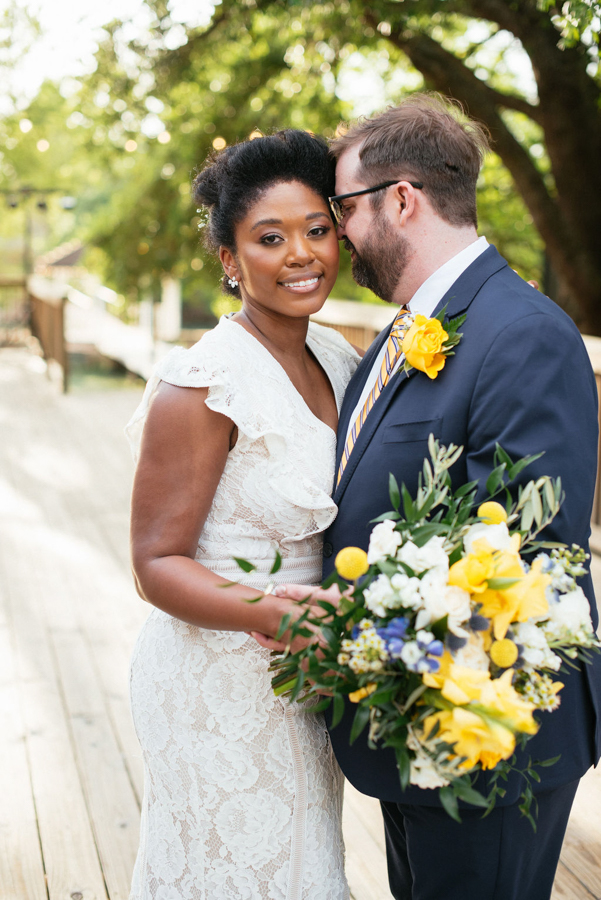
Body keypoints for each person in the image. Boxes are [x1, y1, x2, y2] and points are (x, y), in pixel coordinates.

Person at [258, 95, 601, 900]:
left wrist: (339, 623)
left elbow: (524, 544)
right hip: (415, 719)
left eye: (342, 208)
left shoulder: (522, 332)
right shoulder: (401, 330)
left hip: (491, 731)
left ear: (401, 199)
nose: (336, 233)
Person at [125, 129, 360, 900]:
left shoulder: (337, 356)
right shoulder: (202, 384)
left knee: (305, 866)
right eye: (270, 238)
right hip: (217, 677)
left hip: (305, 675)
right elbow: (156, 565)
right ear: (229, 260)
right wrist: (283, 617)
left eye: (316, 230)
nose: (301, 253)